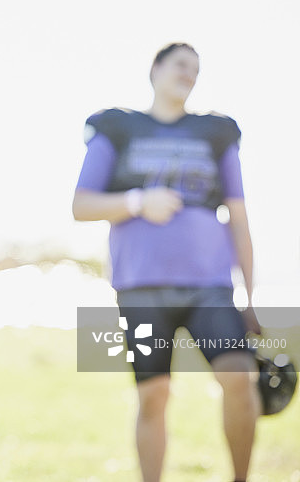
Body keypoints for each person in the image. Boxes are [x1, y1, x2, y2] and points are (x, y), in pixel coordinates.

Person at [72, 43, 261, 482]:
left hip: (209, 286)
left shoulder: (215, 133)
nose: (189, 74)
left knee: (239, 378)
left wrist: (251, 297)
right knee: (153, 394)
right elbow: (81, 205)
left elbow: (240, 216)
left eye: (196, 69)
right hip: (141, 290)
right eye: (181, 64)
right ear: (155, 69)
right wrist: (139, 201)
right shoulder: (116, 128)